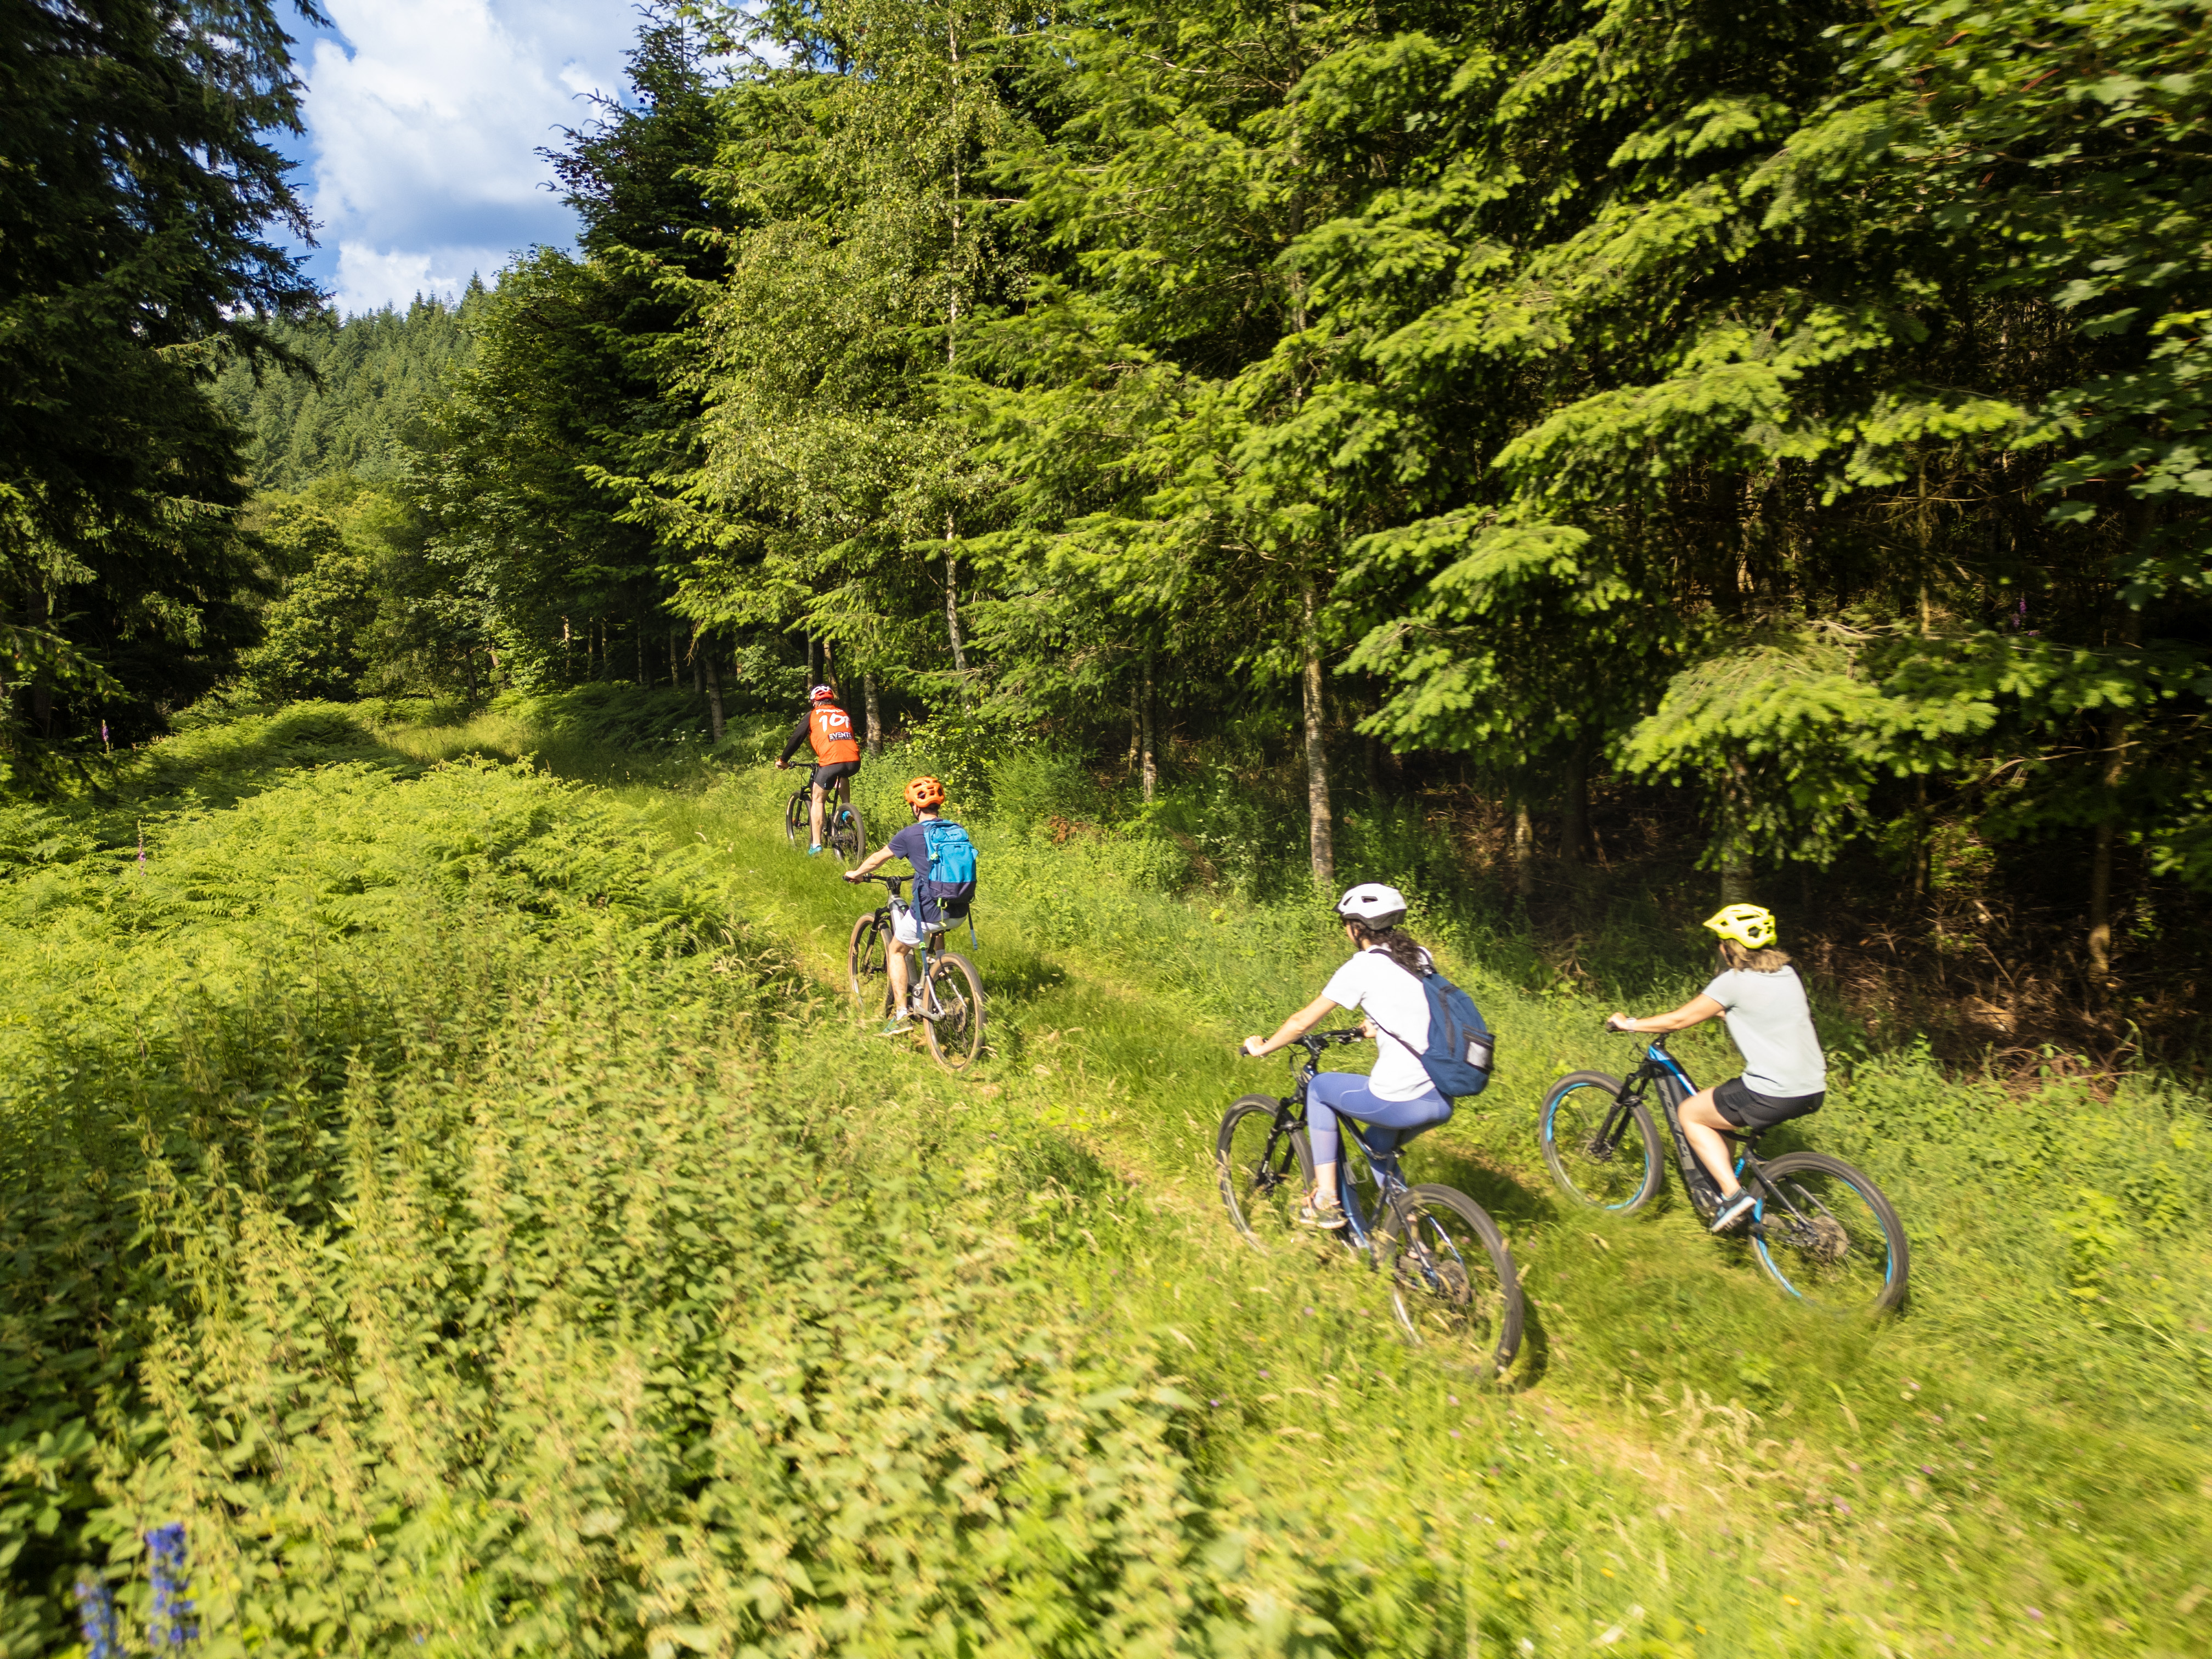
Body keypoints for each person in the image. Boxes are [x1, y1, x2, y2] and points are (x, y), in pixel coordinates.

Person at [1238, 883, 1453, 1229]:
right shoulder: (1420, 956)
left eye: (1346, 924)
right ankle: (1413, 1241)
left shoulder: (1362, 968)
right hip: (1441, 1096)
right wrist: (1379, 1025)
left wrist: (1262, 1047)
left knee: (1321, 1089)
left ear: (1357, 927)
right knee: (1377, 1146)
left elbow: (1300, 1023)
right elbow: (1419, 1008)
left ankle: (1326, 1201)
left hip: (1404, 1096)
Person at [1605, 903, 1827, 1234]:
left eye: (1720, 942)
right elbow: (1759, 1011)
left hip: (1772, 1091)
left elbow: (1680, 1019)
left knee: (1691, 1113)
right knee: (1721, 1111)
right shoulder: (1786, 974)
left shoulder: (1732, 982)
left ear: (1728, 948)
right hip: (1812, 1088)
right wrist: (1722, 1012)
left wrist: (1629, 1024)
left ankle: (1733, 1195)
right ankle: (1729, 1186)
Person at [843, 776, 977, 1037]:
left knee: (896, 949)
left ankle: (902, 1015)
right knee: (936, 928)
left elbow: (878, 858)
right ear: (937, 806)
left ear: (915, 807)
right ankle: (940, 969)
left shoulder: (910, 834)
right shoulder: (956, 829)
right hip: (960, 909)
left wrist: (857, 873)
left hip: (930, 911)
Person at [774, 684, 861, 854]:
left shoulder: (813, 715)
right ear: (831, 701)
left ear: (815, 702)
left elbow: (797, 738)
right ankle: (845, 810)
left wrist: (783, 760)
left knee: (818, 799)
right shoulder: (843, 713)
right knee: (842, 774)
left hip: (830, 761)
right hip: (854, 761)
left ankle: (816, 845)